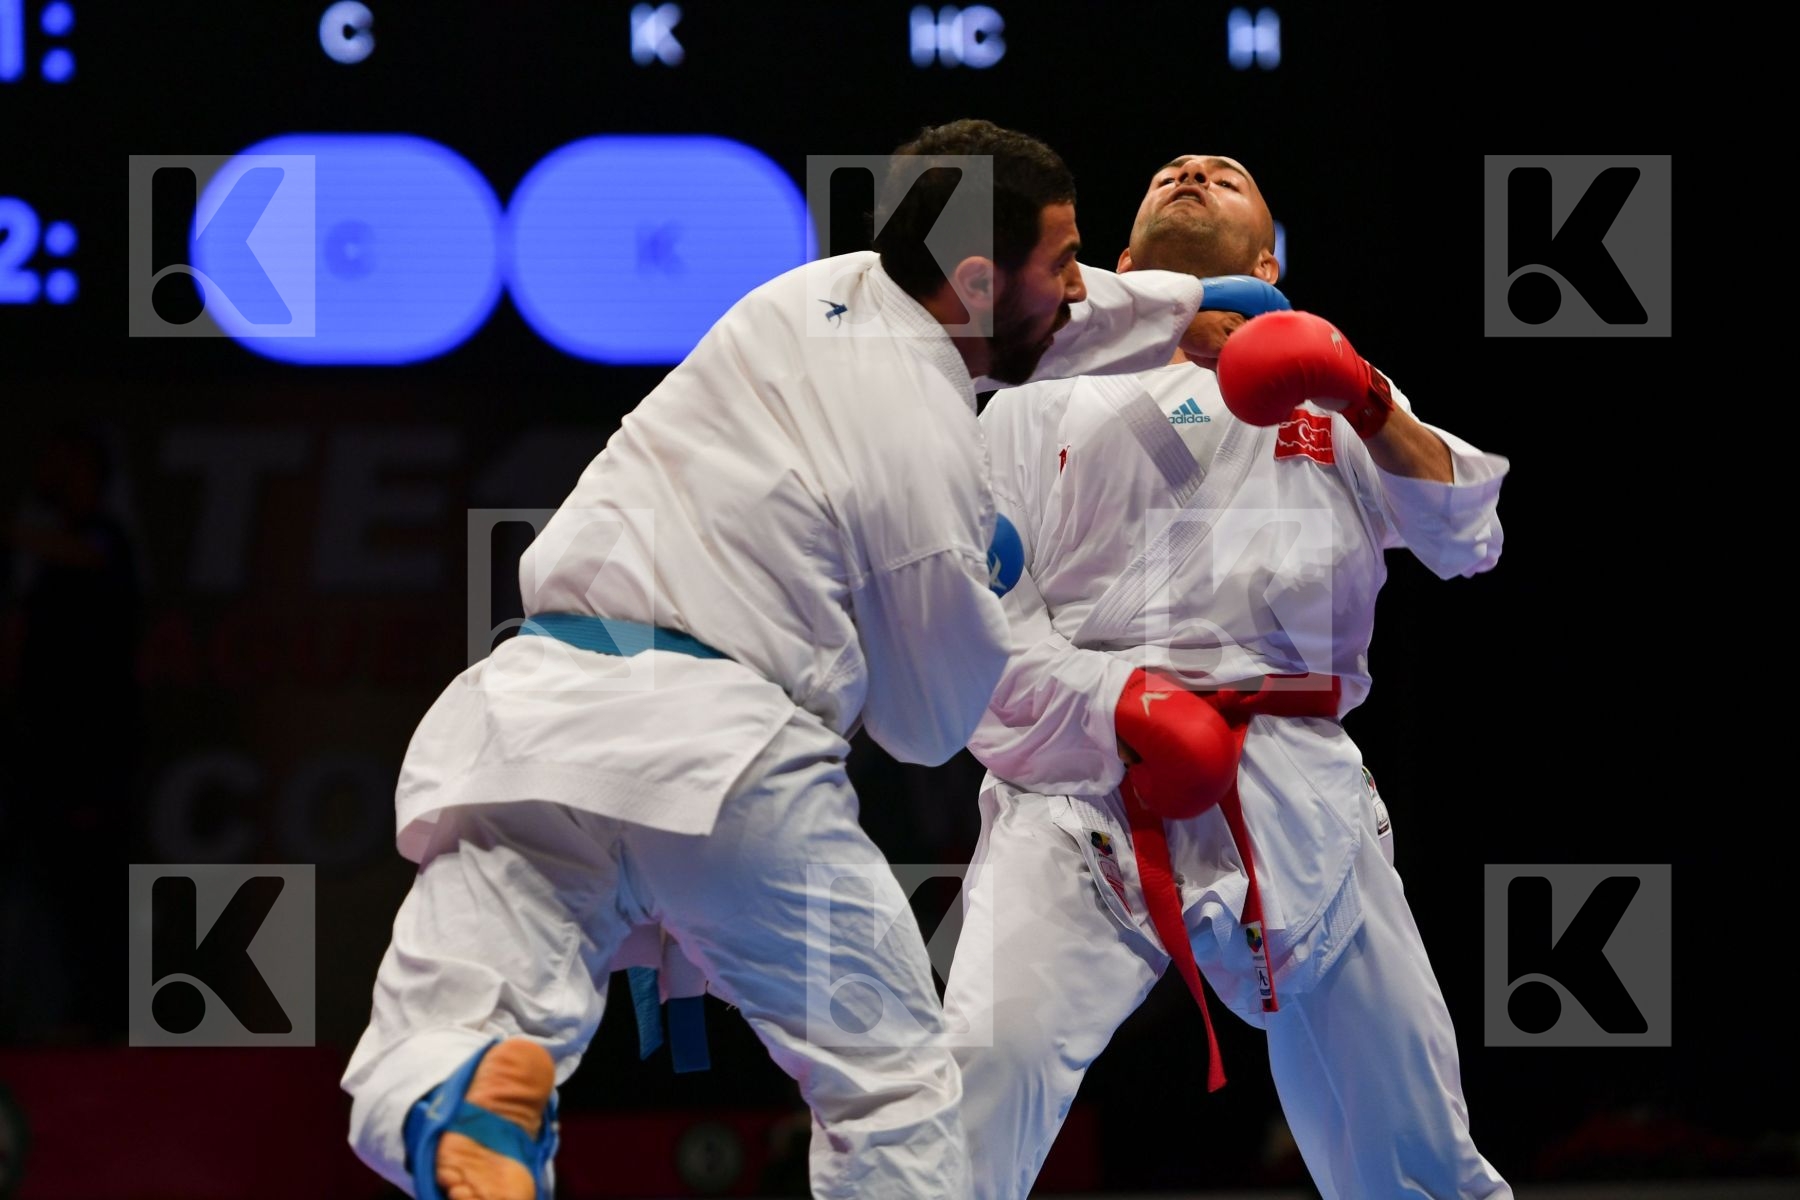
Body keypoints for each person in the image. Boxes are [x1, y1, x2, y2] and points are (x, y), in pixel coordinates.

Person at [339, 121, 1287, 1200]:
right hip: (721, 754)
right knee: (891, 1088)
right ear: (978, 276)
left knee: (461, 1019)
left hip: (532, 721)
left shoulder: (813, 293)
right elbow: (928, 723)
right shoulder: (926, 454)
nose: (1080, 285)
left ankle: (463, 1100)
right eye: (1065, 260)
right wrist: (975, 572)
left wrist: (1178, 310)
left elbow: (1041, 323)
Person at [940, 153, 1514, 1198]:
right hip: (1084, 782)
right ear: (1119, 272)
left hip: (1293, 777)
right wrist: (1115, 703)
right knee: (979, 1079)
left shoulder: (1332, 390)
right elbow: (978, 621)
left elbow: (1467, 538)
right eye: (1168, 172)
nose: (1192, 170)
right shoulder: (1026, 406)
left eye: (1226, 173)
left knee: (1412, 1146)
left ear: (1269, 261)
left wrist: (1370, 397)